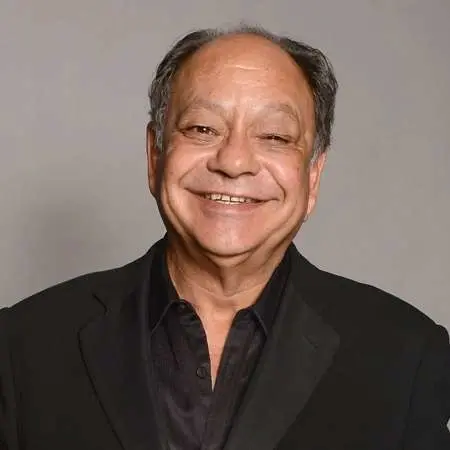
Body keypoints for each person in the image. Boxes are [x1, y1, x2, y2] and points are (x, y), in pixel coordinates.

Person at [0, 25, 449, 450]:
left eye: (274, 135)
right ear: (154, 156)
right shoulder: (23, 347)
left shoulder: (406, 358)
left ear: (313, 176)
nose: (234, 162)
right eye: (202, 129)